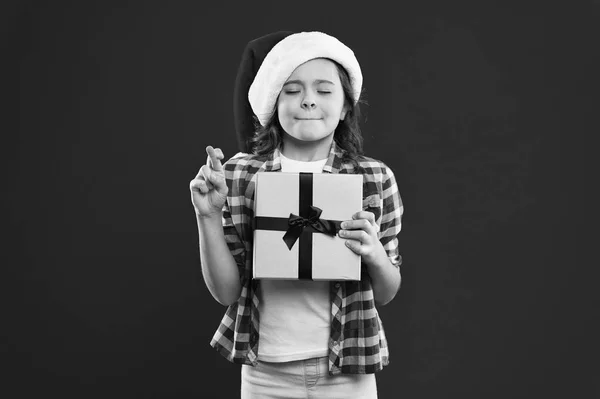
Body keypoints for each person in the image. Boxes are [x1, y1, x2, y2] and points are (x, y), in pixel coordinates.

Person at [189, 31, 404, 399]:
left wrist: (374, 254)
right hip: (265, 372)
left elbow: (387, 291)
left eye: (324, 90)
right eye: (292, 91)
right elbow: (226, 293)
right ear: (273, 102)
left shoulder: (373, 177)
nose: (308, 101)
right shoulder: (241, 175)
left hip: (348, 366)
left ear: (346, 106)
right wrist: (206, 216)